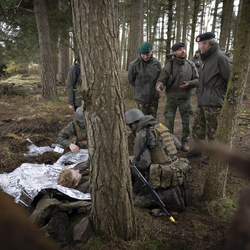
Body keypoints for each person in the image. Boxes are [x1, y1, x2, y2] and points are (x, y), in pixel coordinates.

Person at [126, 108, 192, 213]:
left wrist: (132, 161)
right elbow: (178, 145)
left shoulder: (142, 135)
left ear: (133, 124)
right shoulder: (160, 127)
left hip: (160, 173)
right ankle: (180, 190)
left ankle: (166, 196)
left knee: (134, 198)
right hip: (174, 167)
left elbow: (143, 164)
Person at [185, 32, 232, 164]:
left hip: (215, 102)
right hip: (203, 100)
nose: (199, 47)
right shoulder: (205, 58)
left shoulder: (221, 58)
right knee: (198, 128)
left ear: (207, 44)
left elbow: (231, 80)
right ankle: (198, 149)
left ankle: (214, 155)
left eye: (200, 44)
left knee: (214, 130)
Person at [156, 42, 199, 152]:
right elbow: (161, 79)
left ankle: (185, 142)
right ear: (174, 52)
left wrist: (189, 83)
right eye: (180, 49)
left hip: (185, 99)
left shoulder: (190, 65)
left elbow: (198, 80)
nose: (183, 51)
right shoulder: (169, 66)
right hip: (171, 99)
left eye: (183, 49)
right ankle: (170, 142)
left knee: (186, 122)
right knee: (169, 121)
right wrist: (159, 85)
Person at [128, 41, 162, 119]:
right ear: (140, 53)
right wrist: (141, 88)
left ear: (152, 52)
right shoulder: (134, 65)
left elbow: (160, 78)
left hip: (153, 98)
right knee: (141, 121)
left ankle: (150, 132)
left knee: (152, 120)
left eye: (148, 55)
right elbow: (131, 80)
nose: (146, 57)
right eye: (143, 55)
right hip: (141, 99)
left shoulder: (157, 64)